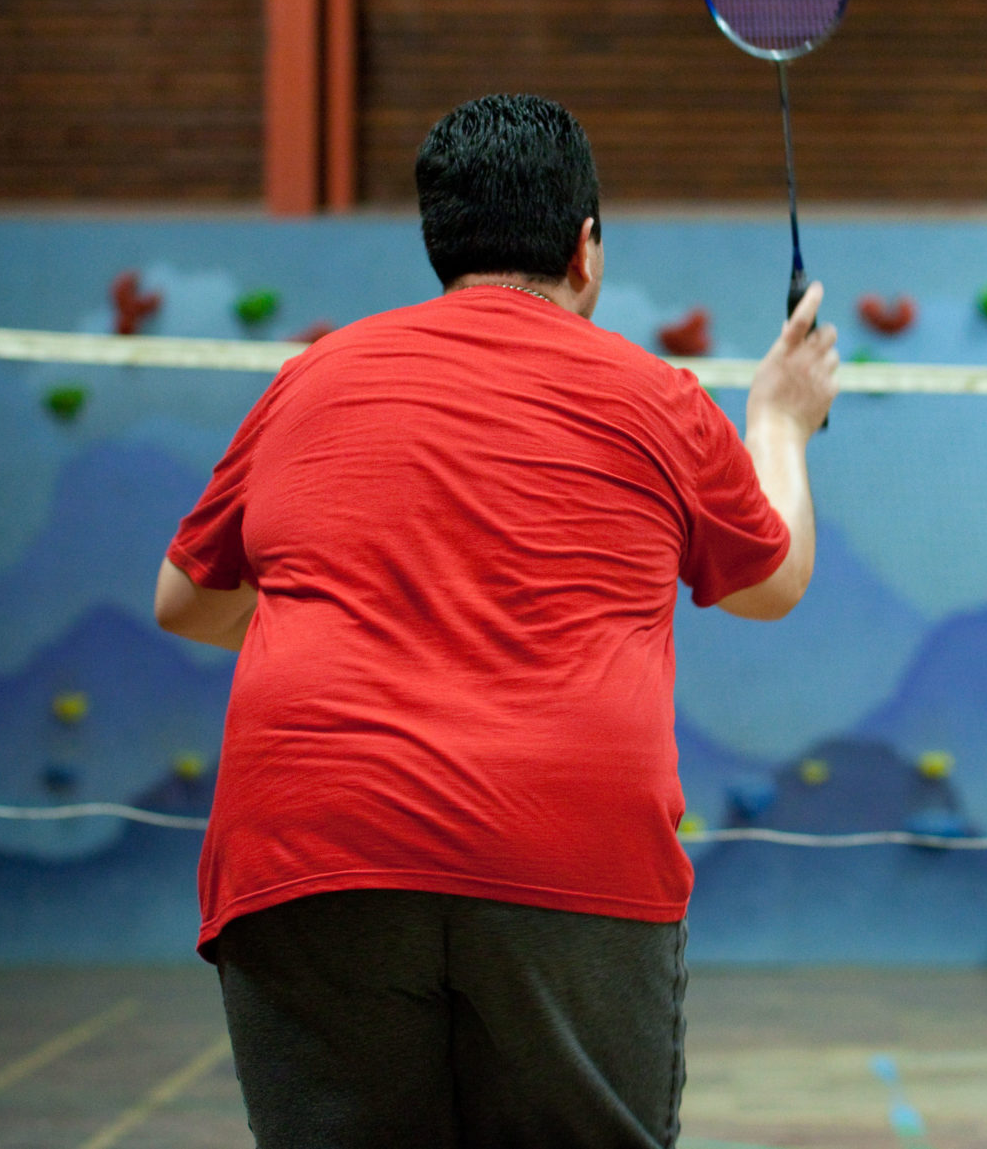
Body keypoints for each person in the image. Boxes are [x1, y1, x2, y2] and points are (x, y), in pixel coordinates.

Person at [153, 93, 839, 1149]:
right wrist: (779, 421)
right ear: (587, 248)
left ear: (439, 243)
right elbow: (773, 580)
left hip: (306, 849)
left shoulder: (307, 379)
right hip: (567, 856)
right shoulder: (655, 397)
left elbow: (186, 599)